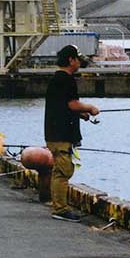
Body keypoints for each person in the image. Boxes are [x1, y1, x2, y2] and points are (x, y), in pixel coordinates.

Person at [44, 45, 99, 222]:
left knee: (60, 171)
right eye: (77, 59)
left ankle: (58, 206)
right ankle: (60, 209)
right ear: (70, 60)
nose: (79, 62)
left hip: (54, 132)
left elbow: (63, 106)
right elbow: (72, 104)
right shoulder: (66, 80)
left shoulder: (56, 79)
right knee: (63, 171)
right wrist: (90, 108)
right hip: (61, 135)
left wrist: (81, 114)